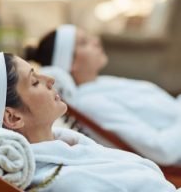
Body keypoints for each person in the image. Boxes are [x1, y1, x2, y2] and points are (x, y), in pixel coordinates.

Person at [0, 52, 179, 191]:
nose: (51, 79)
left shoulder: (70, 151)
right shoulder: (65, 182)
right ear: (12, 117)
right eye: (35, 81)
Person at [24, 24, 181, 165]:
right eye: (84, 43)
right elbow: (162, 151)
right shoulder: (91, 103)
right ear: (71, 63)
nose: (96, 41)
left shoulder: (101, 83)